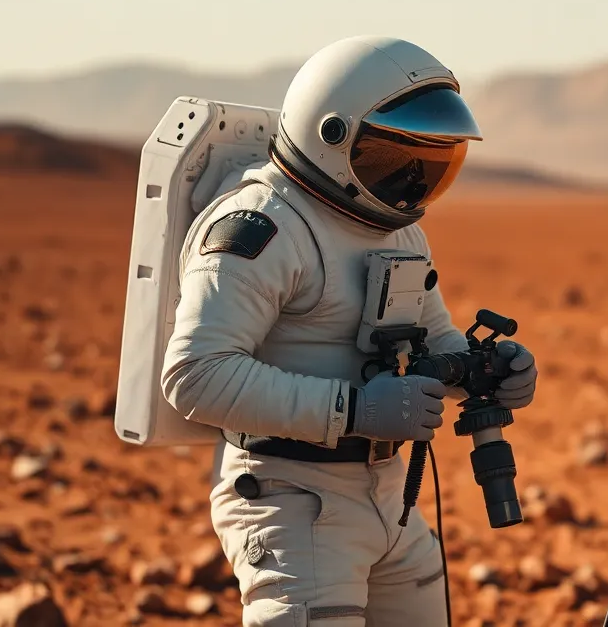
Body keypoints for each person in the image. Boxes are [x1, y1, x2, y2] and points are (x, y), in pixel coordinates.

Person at [160, 36, 539, 626]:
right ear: (332, 137)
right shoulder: (263, 227)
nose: (413, 181)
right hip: (296, 506)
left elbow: (434, 343)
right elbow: (195, 375)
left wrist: (486, 369)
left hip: (393, 502)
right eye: (395, 159)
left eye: (431, 162)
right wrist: (356, 410)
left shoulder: (397, 230)